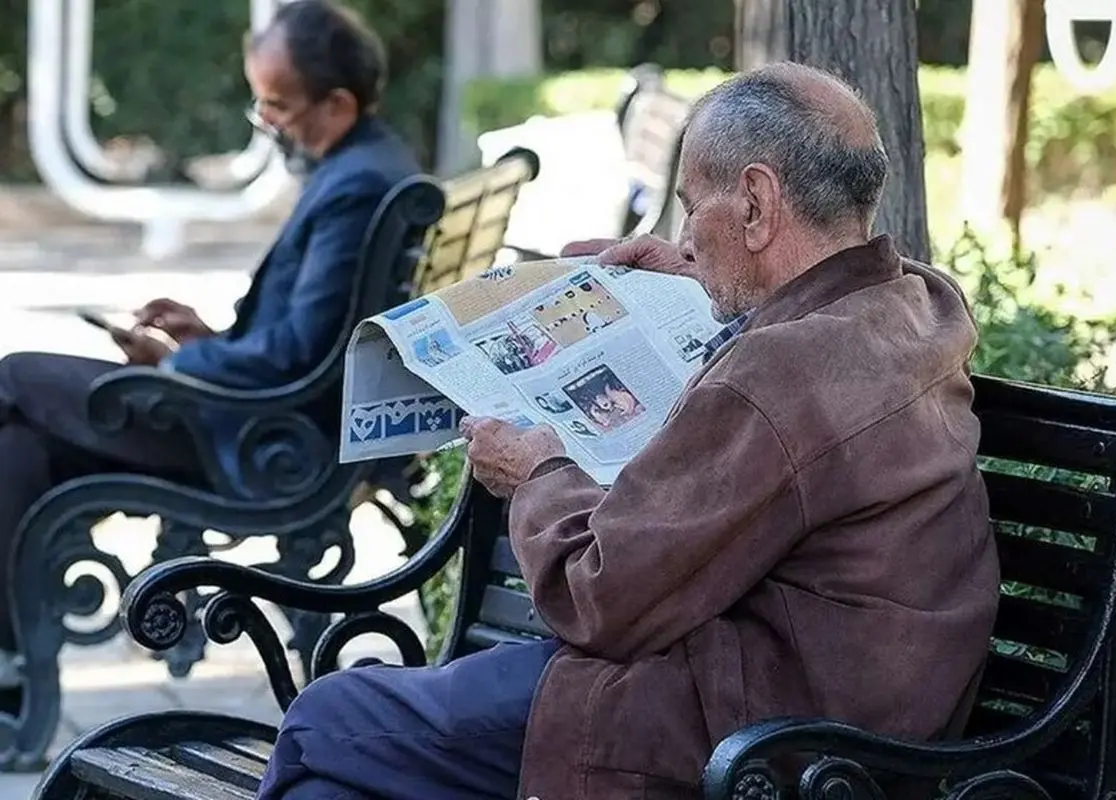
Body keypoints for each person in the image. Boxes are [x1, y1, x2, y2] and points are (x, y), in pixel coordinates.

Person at [253, 63, 1000, 800]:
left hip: (750, 735)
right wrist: (701, 278)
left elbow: (598, 595)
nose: (682, 235)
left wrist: (537, 473)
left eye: (691, 206)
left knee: (326, 720)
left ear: (755, 205)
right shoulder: (914, 302)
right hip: (837, 705)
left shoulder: (781, 374)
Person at [0, 0, 418, 708]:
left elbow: (294, 358)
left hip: (261, 442)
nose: (268, 122)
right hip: (268, 422)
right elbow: (298, 340)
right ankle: (10, 670)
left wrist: (171, 367)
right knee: (18, 447)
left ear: (338, 103)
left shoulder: (356, 186)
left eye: (278, 106)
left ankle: (10, 670)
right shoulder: (367, 164)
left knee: (12, 378)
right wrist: (206, 338)